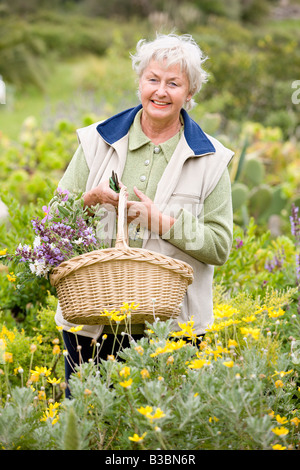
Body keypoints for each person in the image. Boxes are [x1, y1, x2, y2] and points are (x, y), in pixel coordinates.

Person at [54, 33, 234, 397]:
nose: (161, 91)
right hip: (91, 321)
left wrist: (162, 222)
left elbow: (219, 246)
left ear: (190, 93)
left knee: (157, 432)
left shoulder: (211, 159)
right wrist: (87, 200)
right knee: (89, 426)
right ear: (140, 82)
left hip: (170, 330)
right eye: (153, 79)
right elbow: (55, 221)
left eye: (174, 83)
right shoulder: (97, 141)